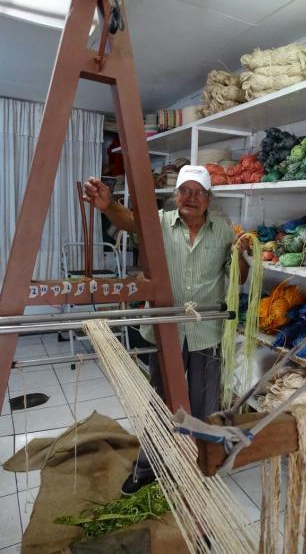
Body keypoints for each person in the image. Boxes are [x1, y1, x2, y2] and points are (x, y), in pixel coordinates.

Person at [84, 165, 250, 494]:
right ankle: (149, 466)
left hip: (207, 332)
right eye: (185, 191)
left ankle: (204, 461)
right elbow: (130, 221)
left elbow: (239, 278)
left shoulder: (224, 231)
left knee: (207, 403)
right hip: (166, 330)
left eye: (198, 192)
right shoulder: (160, 222)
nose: (191, 197)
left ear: (208, 199)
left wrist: (242, 253)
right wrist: (109, 206)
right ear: (176, 197)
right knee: (160, 401)